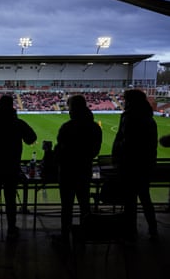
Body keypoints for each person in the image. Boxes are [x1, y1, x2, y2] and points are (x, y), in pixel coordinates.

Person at [0, 95, 37, 239]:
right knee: (10, 199)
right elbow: (31, 138)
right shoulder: (18, 124)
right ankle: (11, 229)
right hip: (12, 167)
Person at [54, 95, 102, 243]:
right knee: (84, 204)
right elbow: (95, 150)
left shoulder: (67, 127)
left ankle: (64, 236)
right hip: (85, 170)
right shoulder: (94, 127)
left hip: (68, 171)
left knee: (67, 207)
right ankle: (84, 235)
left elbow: (59, 150)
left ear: (73, 108)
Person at [112, 89, 158, 239]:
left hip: (130, 165)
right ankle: (153, 228)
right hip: (146, 164)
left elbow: (126, 141)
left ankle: (130, 231)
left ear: (131, 101)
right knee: (145, 197)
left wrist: (117, 154)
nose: (124, 101)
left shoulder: (130, 117)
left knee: (130, 200)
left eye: (125, 99)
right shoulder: (149, 118)